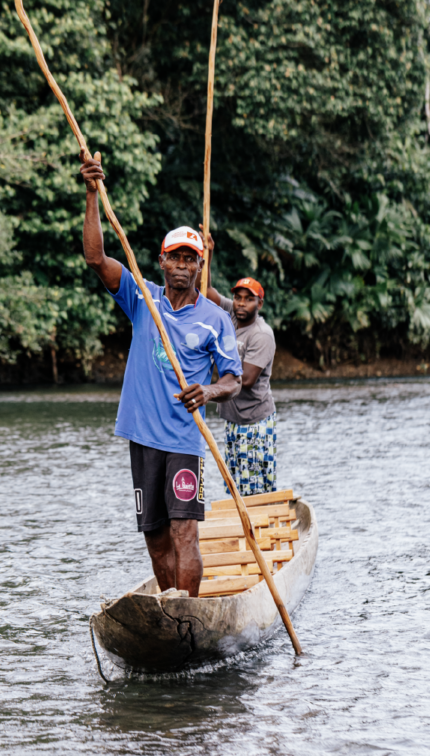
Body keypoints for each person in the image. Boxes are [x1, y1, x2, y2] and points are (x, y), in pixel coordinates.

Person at [79, 151, 243, 598]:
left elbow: (233, 380)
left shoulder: (215, 319)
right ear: (162, 262)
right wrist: (92, 194)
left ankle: (187, 613)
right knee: (154, 536)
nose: (183, 266)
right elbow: (95, 258)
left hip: (184, 441)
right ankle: (169, 607)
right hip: (143, 436)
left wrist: (208, 391)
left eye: (191, 259)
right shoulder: (142, 298)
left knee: (184, 531)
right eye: (176, 258)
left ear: (200, 267)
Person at [200, 237, 277, 496]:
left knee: (254, 484)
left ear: (259, 304)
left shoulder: (261, 334)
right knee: (235, 482)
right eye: (238, 297)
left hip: (254, 421)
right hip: (233, 419)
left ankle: (259, 518)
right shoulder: (231, 315)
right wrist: (209, 254)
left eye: (248, 299)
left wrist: (206, 392)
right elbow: (205, 289)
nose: (241, 303)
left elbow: (246, 379)